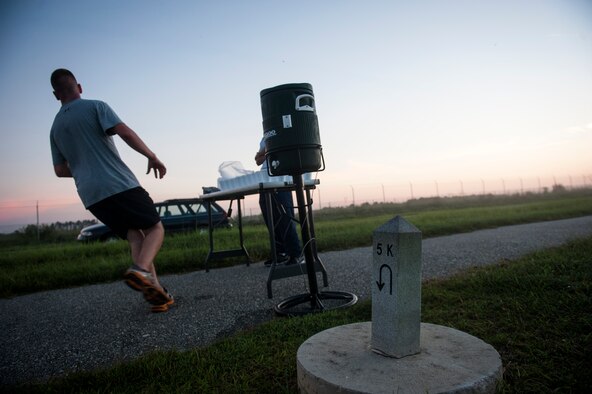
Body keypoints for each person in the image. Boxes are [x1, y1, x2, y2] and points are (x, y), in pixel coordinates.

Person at [49, 69, 173, 313]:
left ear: (56, 95)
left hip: (91, 195)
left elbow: (60, 170)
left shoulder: (55, 128)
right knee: (155, 228)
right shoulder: (96, 106)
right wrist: (152, 156)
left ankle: (155, 294)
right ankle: (140, 270)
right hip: (118, 184)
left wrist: (85, 169)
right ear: (79, 87)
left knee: (135, 236)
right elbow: (125, 132)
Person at [255, 138, 302, 265]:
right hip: (265, 179)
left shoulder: (279, 128)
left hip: (281, 178)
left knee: (285, 217)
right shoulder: (265, 137)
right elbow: (258, 160)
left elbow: (276, 147)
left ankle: (295, 253)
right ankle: (280, 252)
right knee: (270, 218)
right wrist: (265, 151)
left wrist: (264, 152)